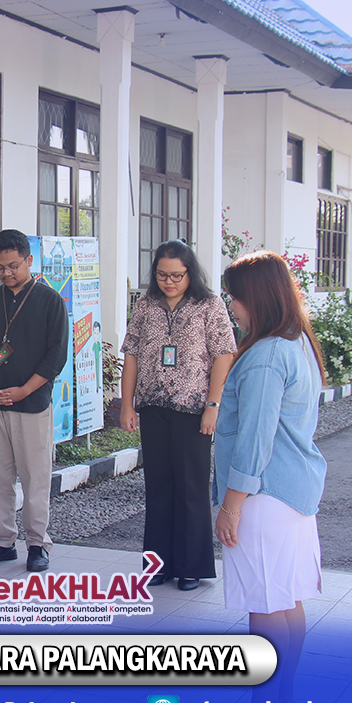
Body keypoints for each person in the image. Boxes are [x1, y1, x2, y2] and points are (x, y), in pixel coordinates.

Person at [214, 250, 327, 703]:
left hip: (263, 497)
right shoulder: (295, 342)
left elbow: (254, 439)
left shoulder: (265, 356)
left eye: (235, 298)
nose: (231, 307)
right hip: (292, 494)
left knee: (264, 608)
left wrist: (231, 505)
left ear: (256, 298)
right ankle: (282, 699)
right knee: (286, 600)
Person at [119, 239, 235, 590]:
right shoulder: (145, 305)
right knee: (158, 488)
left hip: (193, 409)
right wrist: (127, 404)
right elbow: (132, 355)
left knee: (191, 488)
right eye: (162, 275)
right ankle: (158, 565)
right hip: (153, 407)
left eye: (176, 276)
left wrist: (212, 405)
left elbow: (223, 355)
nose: (168, 282)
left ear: (190, 273)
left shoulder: (210, 305)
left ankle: (190, 567)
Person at [0, 229, 69, 572]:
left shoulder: (50, 301)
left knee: (35, 476)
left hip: (31, 404)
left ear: (29, 260)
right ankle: (1, 541)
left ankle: (37, 544)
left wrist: (25, 390)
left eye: (13, 266)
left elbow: (56, 356)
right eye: (0, 267)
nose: (6, 273)